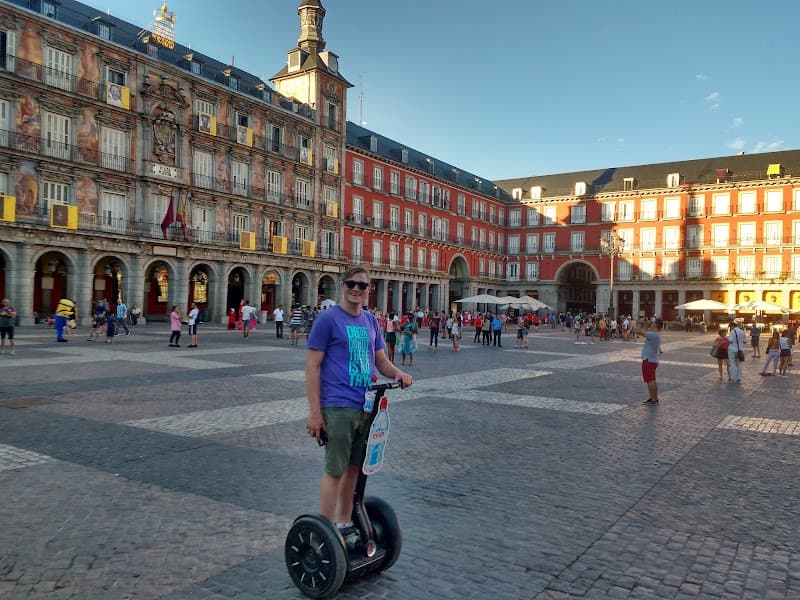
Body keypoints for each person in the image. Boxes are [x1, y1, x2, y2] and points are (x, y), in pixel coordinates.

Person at [304, 266, 412, 540]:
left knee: (355, 468)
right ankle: (324, 533)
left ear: (368, 290)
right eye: (351, 283)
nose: (356, 289)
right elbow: (312, 367)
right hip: (337, 405)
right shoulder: (328, 320)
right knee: (335, 469)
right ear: (343, 286)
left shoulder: (369, 321)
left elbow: (380, 361)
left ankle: (343, 523)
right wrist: (315, 414)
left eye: (362, 285)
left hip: (365, 406)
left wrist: (398, 373)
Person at [641, 318, 663, 405]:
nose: (652, 324)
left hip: (648, 360)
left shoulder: (653, 335)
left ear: (656, 325)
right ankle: (654, 398)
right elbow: (645, 331)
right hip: (653, 360)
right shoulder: (656, 334)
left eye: (653, 323)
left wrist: (641, 322)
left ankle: (653, 399)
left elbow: (639, 331)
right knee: (652, 380)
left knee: (650, 380)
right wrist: (646, 325)